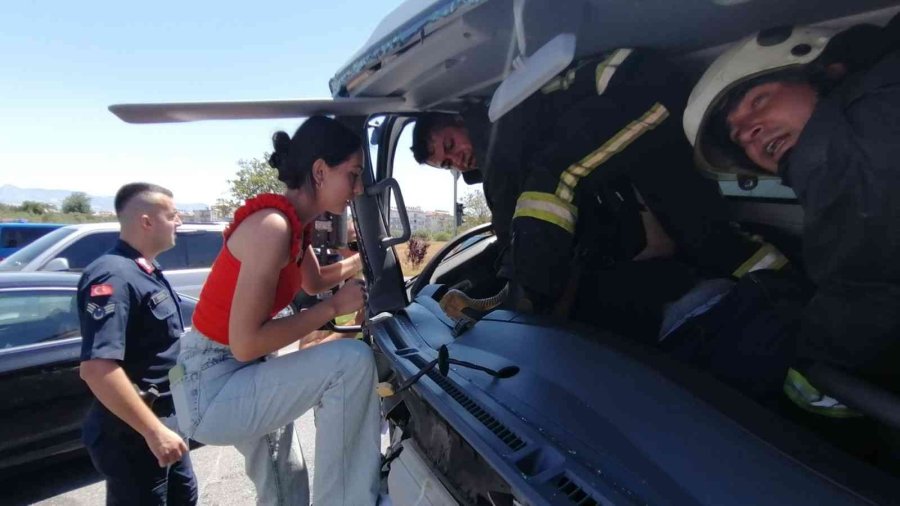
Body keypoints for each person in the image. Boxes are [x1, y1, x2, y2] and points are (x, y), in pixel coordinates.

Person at [413, 49, 787, 341]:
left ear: (462, 121)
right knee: (704, 234)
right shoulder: (501, 143)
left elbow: (516, 211)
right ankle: (787, 287)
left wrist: (521, 297)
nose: (456, 159)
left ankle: (528, 298)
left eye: (450, 144)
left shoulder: (500, 126)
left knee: (555, 177)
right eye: (447, 163)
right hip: (636, 127)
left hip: (639, 87)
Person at [682, 20, 900, 413]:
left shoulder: (843, 147)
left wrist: (803, 365)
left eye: (760, 100)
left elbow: (864, 288)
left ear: (824, 74)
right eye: (737, 136)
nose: (749, 130)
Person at [169, 116, 380, 506]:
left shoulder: (294, 226)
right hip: (214, 383)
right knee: (350, 362)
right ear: (320, 172)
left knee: (287, 486)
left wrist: (367, 260)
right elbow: (246, 343)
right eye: (352, 174)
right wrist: (335, 306)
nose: (358, 187)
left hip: (237, 370)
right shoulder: (273, 227)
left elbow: (314, 284)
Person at [78, 182, 197, 505]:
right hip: (132, 434)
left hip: (163, 422)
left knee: (184, 498)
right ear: (146, 221)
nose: (179, 223)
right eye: (172, 215)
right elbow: (97, 368)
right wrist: (153, 432)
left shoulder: (144, 270)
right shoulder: (113, 275)